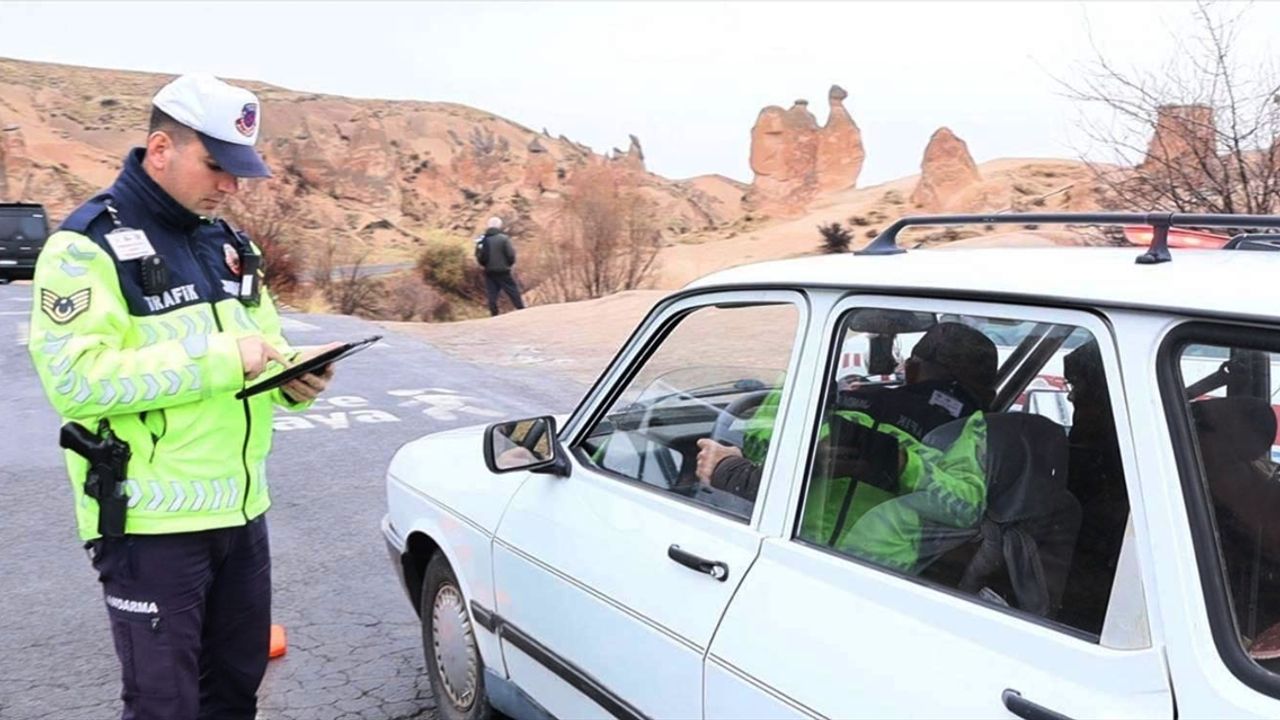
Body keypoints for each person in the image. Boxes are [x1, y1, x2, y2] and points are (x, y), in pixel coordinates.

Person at [27, 73, 336, 720]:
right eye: (217, 166)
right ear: (162, 149)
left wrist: (296, 381)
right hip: (151, 527)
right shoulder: (84, 247)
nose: (230, 186)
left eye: (239, 171)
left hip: (242, 514)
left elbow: (265, 346)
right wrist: (223, 359)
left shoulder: (230, 244)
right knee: (164, 705)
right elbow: (76, 381)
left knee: (234, 692)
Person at [697, 321, 996, 572]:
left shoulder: (964, 430)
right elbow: (964, 507)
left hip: (872, 569)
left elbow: (967, 510)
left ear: (910, 369)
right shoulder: (847, 399)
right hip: (802, 549)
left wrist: (901, 464)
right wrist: (813, 458)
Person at [475, 216, 525, 316]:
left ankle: (494, 313)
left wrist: (484, 265)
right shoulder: (503, 239)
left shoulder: (481, 239)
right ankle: (521, 309)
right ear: (499, 226)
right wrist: (509, 264)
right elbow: (510, 255)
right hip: (503, 270)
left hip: (489, 270)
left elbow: (478, 255)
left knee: (492, 293)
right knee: (512, 289)